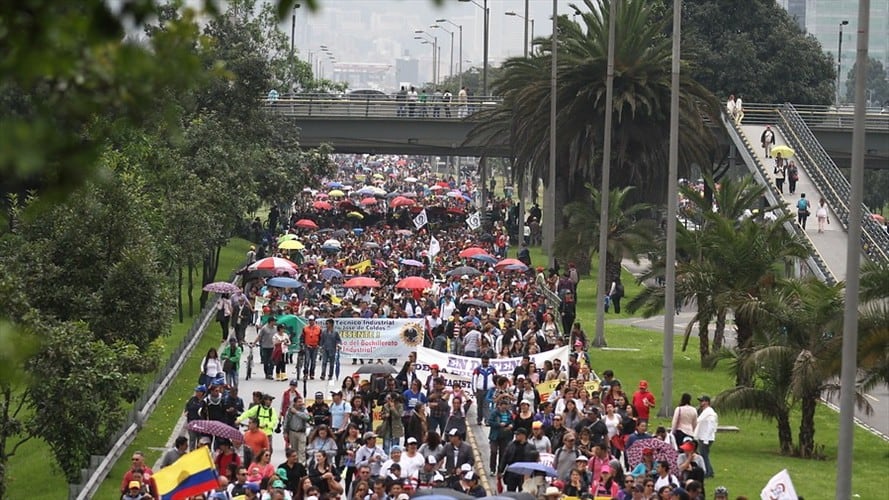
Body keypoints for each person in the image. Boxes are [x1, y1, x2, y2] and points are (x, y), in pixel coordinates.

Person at [500, 427, 534, 492]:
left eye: (518, 434)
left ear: (523, 435)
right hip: (512, 472)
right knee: (510, 492)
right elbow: (505, 458)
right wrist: (500, 470)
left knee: (523, 493)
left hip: (524, 473)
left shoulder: (531, 447)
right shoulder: (511, 445)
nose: (516, 436)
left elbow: (533, 461)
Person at [693, 395, 718, 478]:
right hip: (704, 437)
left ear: (707, 402)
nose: (701, 403)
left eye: (702, 401)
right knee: (704, 454)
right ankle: (710, 471)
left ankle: (707, 472)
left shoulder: (708, 412)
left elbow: (710, 426)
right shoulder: (706, 411)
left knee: (704, 455)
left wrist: (706, 439)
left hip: (706, 437)